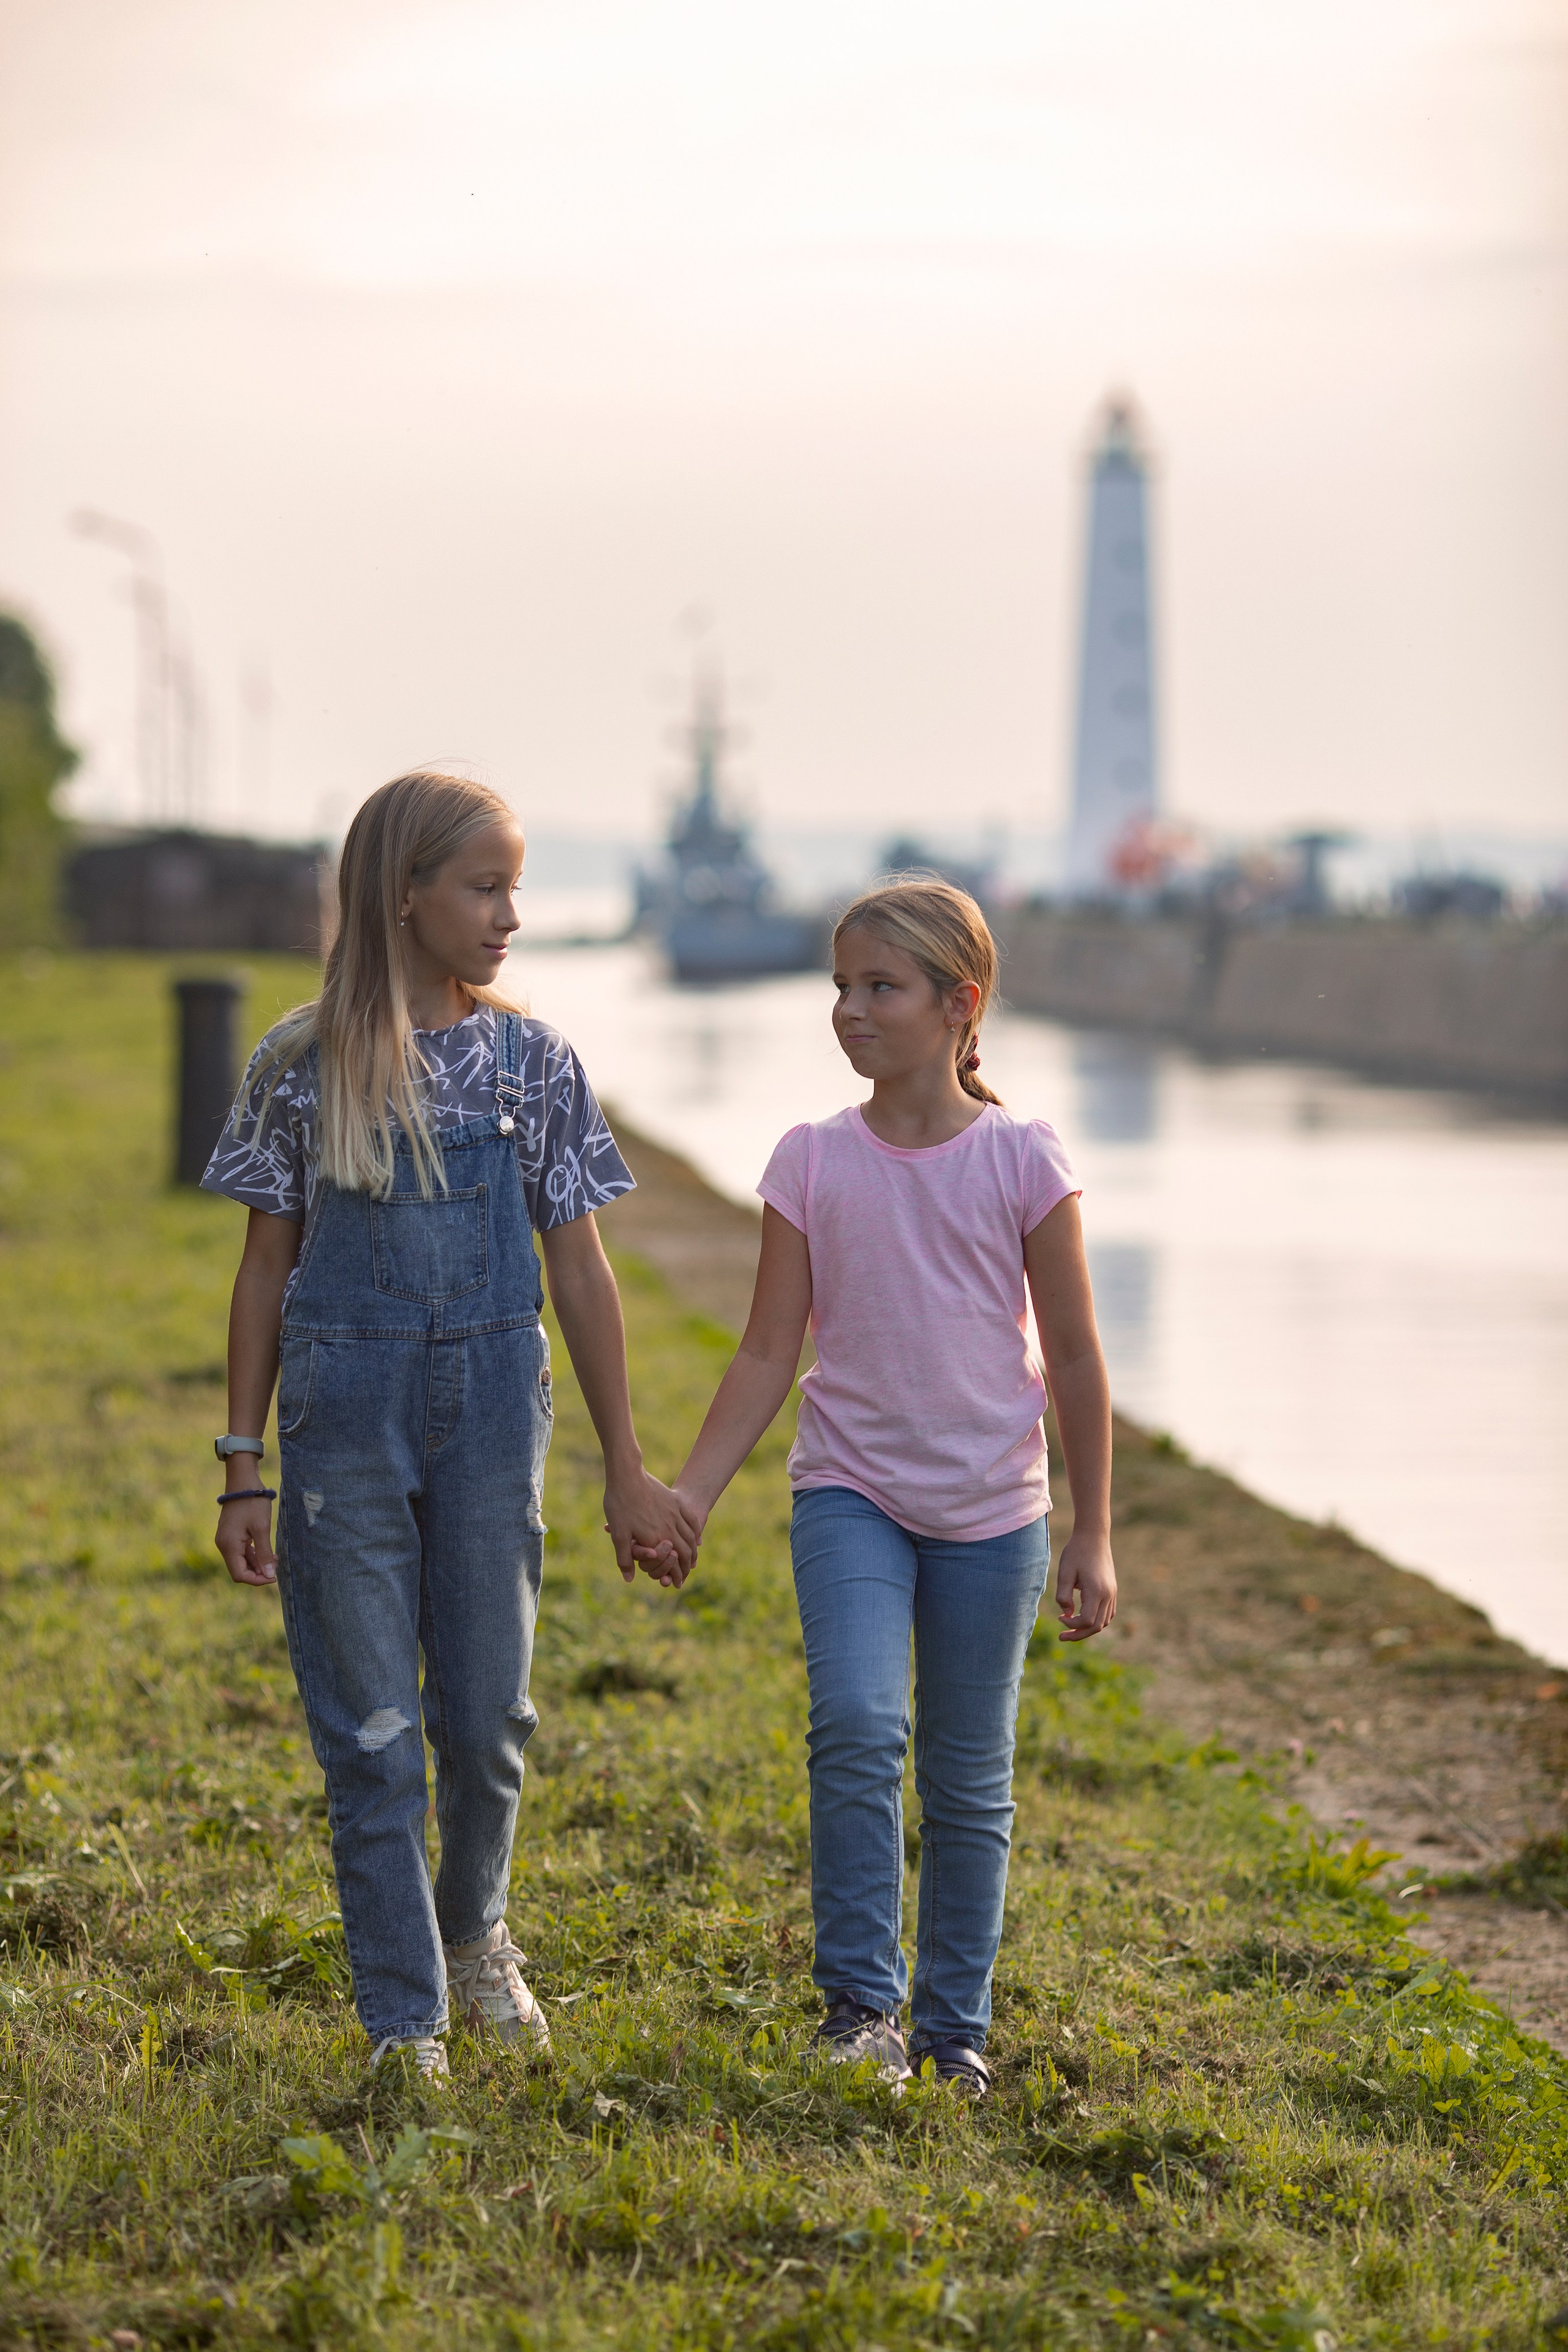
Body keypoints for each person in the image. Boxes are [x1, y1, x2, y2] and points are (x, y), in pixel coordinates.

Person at [204, 770, 697, 2078]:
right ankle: (402, 2020)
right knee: (368, 1739)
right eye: (485, 888)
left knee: (484, 1726)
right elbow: (266, 1270)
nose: (509, 917)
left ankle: (475, 1932)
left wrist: (627, 1469)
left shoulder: (534, 1065)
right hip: (339, 1425)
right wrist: (241, 1464)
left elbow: (581, 1272)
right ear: (403, 894)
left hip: (489, 1418)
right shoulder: (298, 1066)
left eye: (516, 888)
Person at [670, 876, 1117, 2095]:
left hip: (994, 1513)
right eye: (839, 986)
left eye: (879, 987)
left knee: (969, 1781)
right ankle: (859, 2008)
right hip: (849, 1493)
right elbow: (768, 1349)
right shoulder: (811, 1159)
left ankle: (950, 2030)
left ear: (956, 1004)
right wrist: (693, 1495)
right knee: (860, 1726)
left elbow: (1073, 1354)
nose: (849, 1010)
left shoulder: (1023, 1158)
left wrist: (1092, 1533)